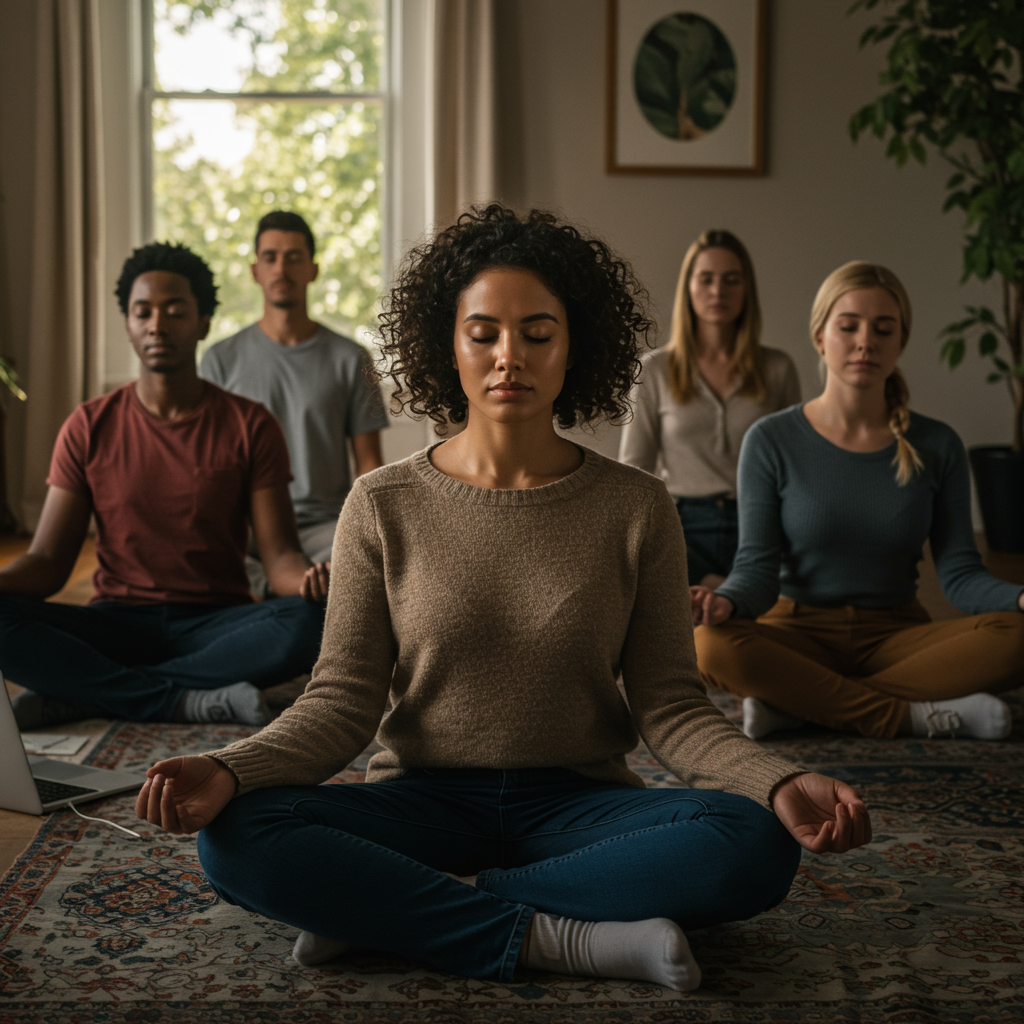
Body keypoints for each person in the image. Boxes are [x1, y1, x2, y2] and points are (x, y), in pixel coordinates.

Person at [136, 206, 870, 993]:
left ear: (573, 345)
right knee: (238, 833)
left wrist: (779, 781)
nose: (507, 356)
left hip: (579, 809)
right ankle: (569, 937)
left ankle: (399, 913)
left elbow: (671, 708)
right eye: (482, 332)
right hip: (421, 803)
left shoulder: (635, 506)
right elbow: (341, 703)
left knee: (755, 840)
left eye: (537, 332)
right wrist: (229, 766)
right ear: (446, 345)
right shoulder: (380, 503)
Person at [0, 242, 330, 730]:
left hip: (216, 625)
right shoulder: (88, 425)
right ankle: (177, 699)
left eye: (175, 311)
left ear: (202, 323)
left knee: (312, 623)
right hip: (117, 621)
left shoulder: (250, 425)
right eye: (143, 312)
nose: (157, 324)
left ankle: (93, 693)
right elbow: (48, 563)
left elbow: (280, 555)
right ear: (129, 326)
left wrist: (308, 582)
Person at [691, 261, 1024, 743]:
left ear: (900, 343)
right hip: (796, 632)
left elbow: (960, 574)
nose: (866, 341)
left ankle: (801, 707)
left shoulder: (938, 443)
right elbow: (756, 570)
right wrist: (725, 601)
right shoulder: (772, 439)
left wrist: (1017, 596)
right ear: (821, 337)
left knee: (1017, 637)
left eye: (883, 329)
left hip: (896, 638)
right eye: (849, 326)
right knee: (710, 646)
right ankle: (909, 716)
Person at [200, 211, 388, 594]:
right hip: (246, 530)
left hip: (324, 529)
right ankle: (288, 588)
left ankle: (292, 588)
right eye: (270, 257)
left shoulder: (351, 359)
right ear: (255, 270)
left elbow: (369, 463)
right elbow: (204, 465)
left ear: (313, 269)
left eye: (293, 257)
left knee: (373, 563)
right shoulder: (219, 359)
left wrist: (368, 532)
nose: (281, 268)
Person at [619, 230, 800, 588]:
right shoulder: (654, 370)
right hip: (681, 527)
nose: (718, 291)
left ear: (747, 289)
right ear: (688, 287)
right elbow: (633, 477)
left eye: (731, 280)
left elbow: (795, 469)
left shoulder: (778, 368)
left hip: (759, 522)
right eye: (706, 280)